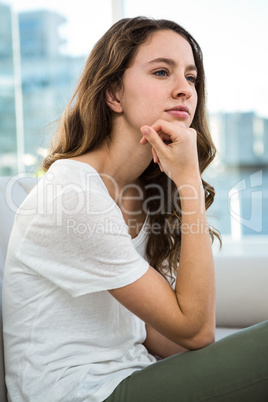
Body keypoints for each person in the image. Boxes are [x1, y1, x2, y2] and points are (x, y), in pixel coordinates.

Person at [2, 16, 268, 402]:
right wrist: (189, 182)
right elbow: (196, 331)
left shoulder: (139, 193)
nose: (184, 90)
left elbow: (165, 335)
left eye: (191, 78)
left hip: (133, 374)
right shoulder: (73, 194)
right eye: (162, 72)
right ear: (114, 94)